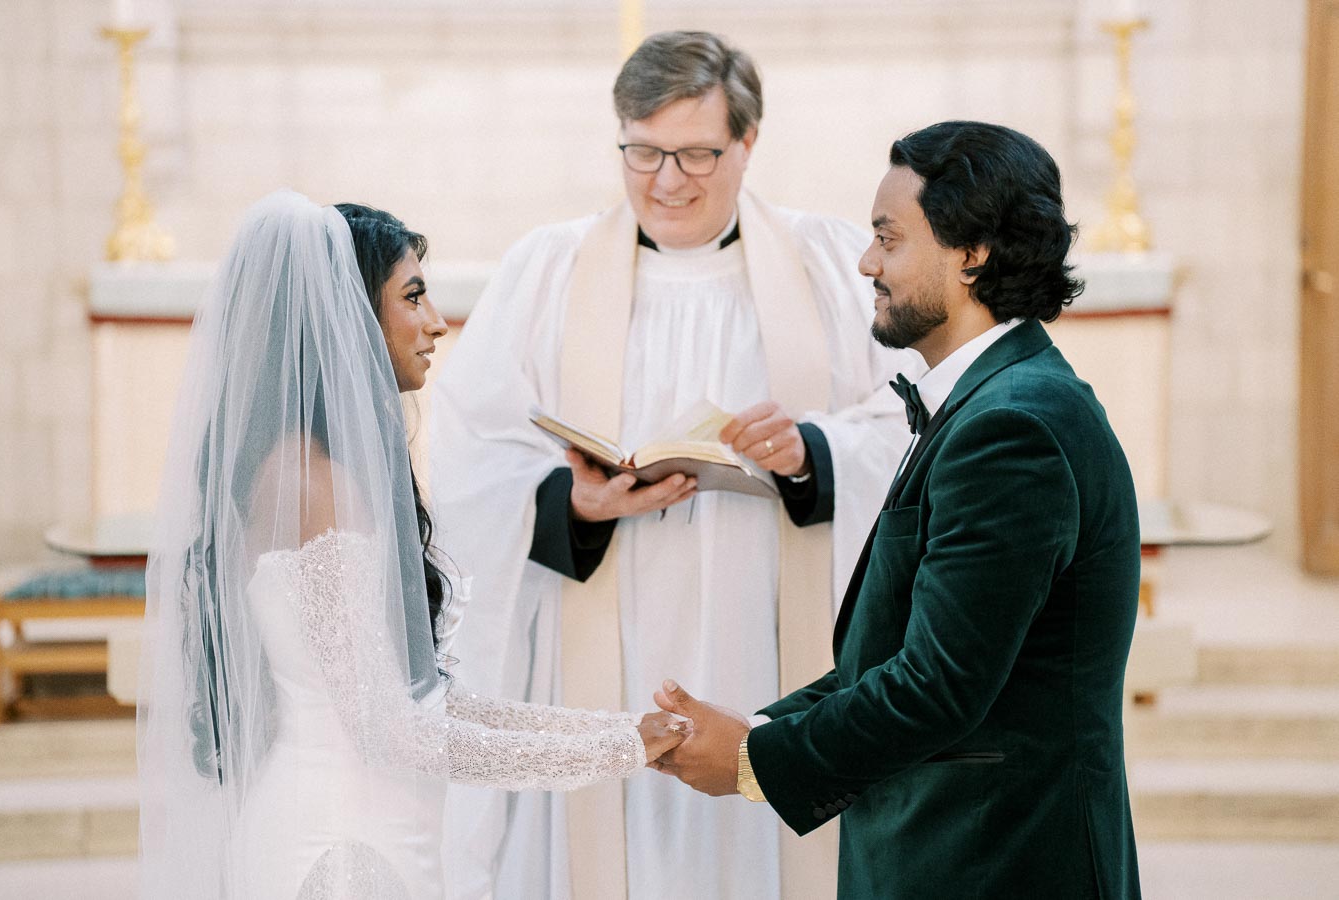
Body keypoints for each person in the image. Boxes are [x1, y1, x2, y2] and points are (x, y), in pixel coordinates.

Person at [430, 31, 921, 900]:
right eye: (643, 152)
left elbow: (911, 424)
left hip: (770, 633)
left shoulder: (828, 264)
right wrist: (572, 505)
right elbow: (471, 450)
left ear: (748, 143)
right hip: (599, 640)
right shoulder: (548, 269)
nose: (666, 180)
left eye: (696, 153)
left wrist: (815, 452)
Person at [136, 192, 685, 900]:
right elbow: (392, 730)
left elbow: (426, 701)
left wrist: (620, 731)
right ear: (349, 315)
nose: (436, 323)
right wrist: (619, 750)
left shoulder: (309, 470)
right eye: (414, 296)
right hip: (338, 850)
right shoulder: (313, 484)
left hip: (366, 832)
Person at [652, 121, 1144, 899]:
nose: (865, 262)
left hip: (996, 857)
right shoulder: (986, 402)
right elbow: (895, 653)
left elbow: (937, 684)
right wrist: (753, 729)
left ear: (972, 253)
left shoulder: (1012, 429)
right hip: (950, 845)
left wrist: (754, 761)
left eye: (888, 238)